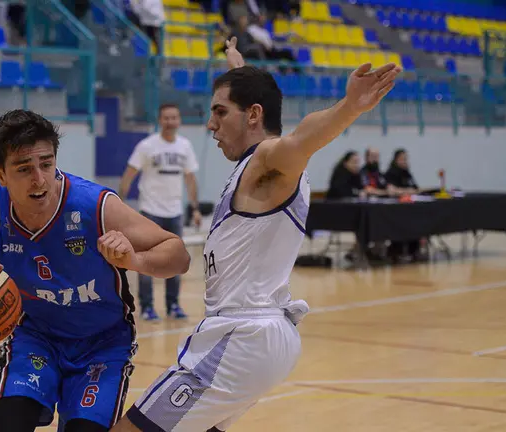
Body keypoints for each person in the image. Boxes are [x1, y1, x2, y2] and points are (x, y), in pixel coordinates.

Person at [112, 37, 400, 432]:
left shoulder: (269, 159)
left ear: (253, 115)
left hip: (242, 334)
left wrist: (349, 107)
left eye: (220, 112)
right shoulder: (256, 165)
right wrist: (237, 65)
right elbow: (255, 100)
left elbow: (301, 139)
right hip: (258, 335)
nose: (211, 124)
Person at [0, 109, 191, 432]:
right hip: (35, 338)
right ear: (0, 175)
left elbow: (179, 255)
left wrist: (134, 261)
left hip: (102, 344)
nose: (39, 179)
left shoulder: (95, 205)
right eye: (24, 169)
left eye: (46, 164)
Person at [118, 103, 200, 321]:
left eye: (174, 117)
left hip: (175, 212)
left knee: (176, 260)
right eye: (166, 118)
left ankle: (173, 305)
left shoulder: (185, 146)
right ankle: (147, 307)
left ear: (179, 120)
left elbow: (190, 179)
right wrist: (120, 204)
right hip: (150, 211)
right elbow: (128, 175)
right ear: (160, 120)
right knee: (146, 260)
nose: (170, 122)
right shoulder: (147, 146)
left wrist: (195, 208)